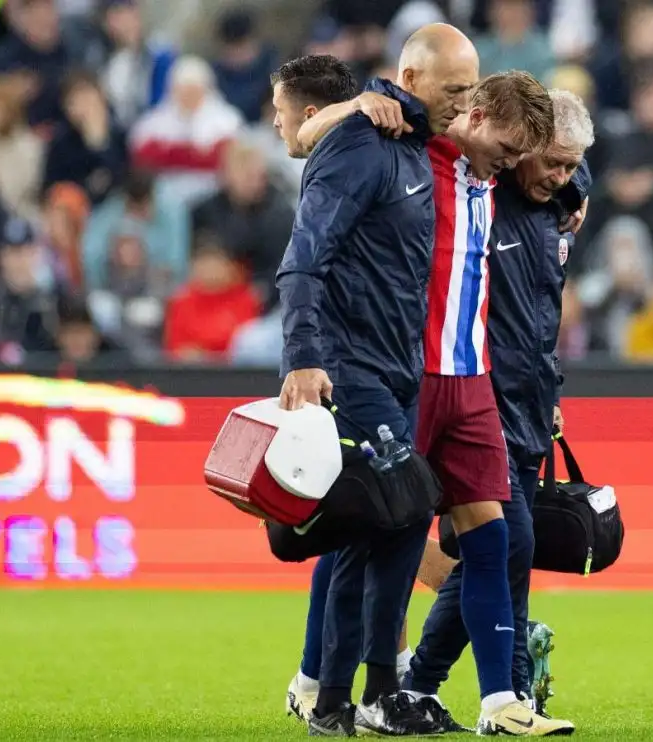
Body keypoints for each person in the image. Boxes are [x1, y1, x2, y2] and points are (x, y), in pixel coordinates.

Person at [294, 25, 573, 737]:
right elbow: (304, 139)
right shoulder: (427, 150)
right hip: (403, 374)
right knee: (370, 531)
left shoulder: (505, 177)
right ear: (468, 115)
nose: (516, 163)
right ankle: (323, 682)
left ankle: (495, 701)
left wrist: (575, 182)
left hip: (471, 379)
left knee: (496, 538)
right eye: (510, 148)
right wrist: (356, 105)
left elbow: (554, 158)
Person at [404, 90, 593, 720]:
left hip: (528, 398)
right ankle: (496, 694)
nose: (563, 177)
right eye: (554, 163)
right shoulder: (488, 190)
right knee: (504, 541)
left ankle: (420, 682)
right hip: (471, 390)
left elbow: (541, 320)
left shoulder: (551, 208)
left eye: (574, 167)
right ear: (519, 150)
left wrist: (551, 390)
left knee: (495, 545)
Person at [271, 53, 437, 736]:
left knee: (387, 528)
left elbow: (514, 121)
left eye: (278, 112)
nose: (275, 125)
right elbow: (303, 258)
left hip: (401, 365)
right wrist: (304, 357)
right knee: (385, 513)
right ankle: (338, 696)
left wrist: (573, 188)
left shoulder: (408, 142)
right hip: (349, 368)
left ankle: (356, 692)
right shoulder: (355, 149)